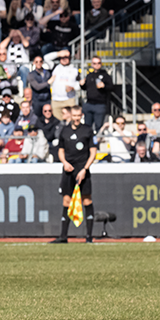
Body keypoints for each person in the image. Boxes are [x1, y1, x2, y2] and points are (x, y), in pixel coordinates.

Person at [50, 106, 98, 243]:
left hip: (82, 169)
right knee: (66, 200)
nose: (76, 118)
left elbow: (93, 152)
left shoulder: (88, 130)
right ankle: (63, 236)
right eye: (74, 116)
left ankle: (89, 237)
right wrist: (64, 162)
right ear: (71, 115)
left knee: (86, 200)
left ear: (81, 115)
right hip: (68, 170)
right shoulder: (64, 131)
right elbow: (60, 150)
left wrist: (85, 169)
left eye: (78, 116)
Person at [80, 56, 114, 131]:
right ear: (92, 64)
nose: (97, 65)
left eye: (98, 63)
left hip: (100, 104)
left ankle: (97, 142)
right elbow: (85, 88)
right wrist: (82, 84)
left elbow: (111, 87)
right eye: (94, 63)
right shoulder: (89, 75)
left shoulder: (105, 75)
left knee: (99, 126)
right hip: (89, 103)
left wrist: (104, 86)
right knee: (87, 126)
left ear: (101, 64)